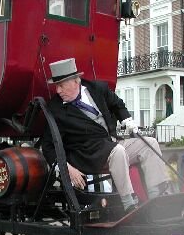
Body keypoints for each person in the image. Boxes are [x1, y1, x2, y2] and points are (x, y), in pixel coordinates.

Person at [41, 58, 169, 212]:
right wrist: (66, 168)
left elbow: (117, 103)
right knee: (118, 151)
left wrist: (127, 119)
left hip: (111, 144)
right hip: (87, 156)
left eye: (61, 85)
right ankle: (129, 203)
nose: (58, 91)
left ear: (76, 81)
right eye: (56, 86)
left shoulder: (97, 88)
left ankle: (157, 197)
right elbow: (48, 146)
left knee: (150, 143)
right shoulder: (55, 108)